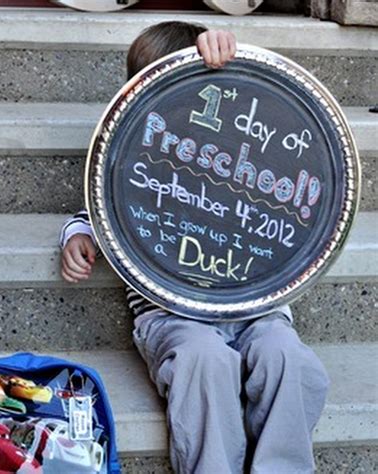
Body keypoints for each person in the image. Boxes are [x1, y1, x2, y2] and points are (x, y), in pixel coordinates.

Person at [60, 22, 329, 474]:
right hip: (171, 315)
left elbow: (291, 193)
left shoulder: (245, 151)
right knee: (204, 361)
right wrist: (78, 237)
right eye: (168, 91)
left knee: (288, 359)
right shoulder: (135, 151)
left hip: (256, 309)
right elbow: (103, 206)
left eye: (199, 91)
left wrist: (227, 56)